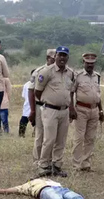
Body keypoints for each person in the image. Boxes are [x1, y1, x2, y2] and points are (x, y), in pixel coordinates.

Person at [34, 46, 75, 178]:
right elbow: (37, 91)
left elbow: (70, 91)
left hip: (64, 110)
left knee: (61, 140)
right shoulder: (47, 71)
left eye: (65, 55)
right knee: (49, 139)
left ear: (68, 57)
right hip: (50, 109)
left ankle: (56, 166)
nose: (62, 58)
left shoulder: (70, 73)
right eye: (60, 55)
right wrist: (49, 102)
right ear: (55, 56)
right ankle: (43, 166)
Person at [71, 53, 104, 171]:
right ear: (84, 63)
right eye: (88, 63)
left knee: (90, 138)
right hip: (81, 109)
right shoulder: (78, 76)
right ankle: (76, 165)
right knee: (79, 138)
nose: (90, 65)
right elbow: (71, 93)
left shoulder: (97, 76)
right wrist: (71, 108)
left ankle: (86, 164)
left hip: (94, 110)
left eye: (92, 63)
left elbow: (98, 94)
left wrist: (100, 110)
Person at [28, 49, 56, 164]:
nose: (54, 60)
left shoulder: (60, 72)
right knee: (40, 134)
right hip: (41, 106)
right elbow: (31, 91)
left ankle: (49, 160)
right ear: (47, 58)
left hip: (54, 108)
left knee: (51, 135)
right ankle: (37, 160)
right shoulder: (39, 71)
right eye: (52, 58)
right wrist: (33, 110)